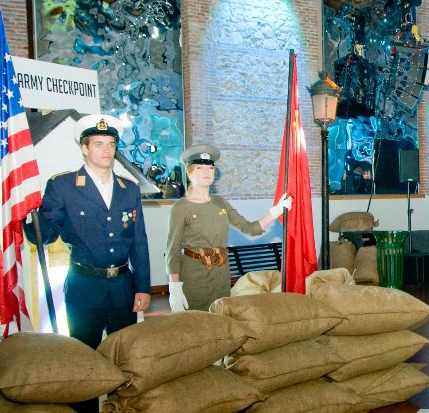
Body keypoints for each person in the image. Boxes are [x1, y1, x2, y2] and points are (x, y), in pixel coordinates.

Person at [24, 115, 151, 413]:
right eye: (98, 144)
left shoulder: (129, 188)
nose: (106, 151)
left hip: (122, 287)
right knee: (83, 360)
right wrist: (31, 219)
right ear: (84, 148)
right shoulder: (64, 186)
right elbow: (46, 235)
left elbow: (139, 242)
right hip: (84, 287)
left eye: (110, 144)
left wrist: (143, 287)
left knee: (125, 358)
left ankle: (123, 408)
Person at [166, 145, 291, 312]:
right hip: (194, 276)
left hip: (221, 275)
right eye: (199, 168)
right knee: (195, 323)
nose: (206, 172)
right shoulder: (180, 208)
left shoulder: (220, 202)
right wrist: (174, 287)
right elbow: (173, 250)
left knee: (221, 320)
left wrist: (277, 210)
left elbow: (250, 229)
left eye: (210, 168)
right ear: (189, 173)